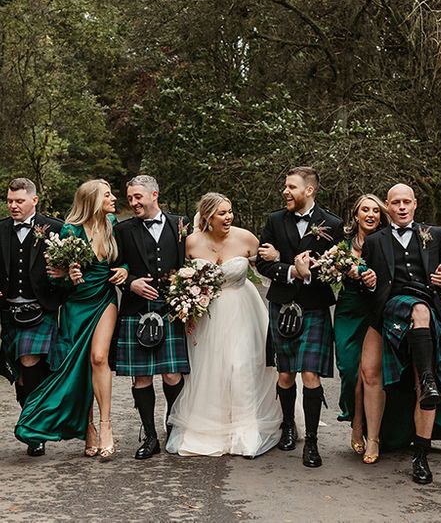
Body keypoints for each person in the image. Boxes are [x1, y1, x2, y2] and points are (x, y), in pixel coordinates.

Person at [15, 179, 128, 459]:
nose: (113, 198)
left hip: (104, 299)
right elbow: (58, 282)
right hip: (77, 305)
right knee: (79, 366)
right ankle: (86, 427)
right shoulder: (70, 230)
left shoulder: (113, 224)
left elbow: (123, 260)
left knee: (99, 358)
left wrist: (124, 270)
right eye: (107, 195)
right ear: (92, 201)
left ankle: (106, 426)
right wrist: (69, 277)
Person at [166, 193, 282, 458]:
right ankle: (210, 429)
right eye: (222, 213)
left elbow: (268, 269)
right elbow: (178, 277)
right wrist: (186, 302)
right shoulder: (191, 242)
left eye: (230, 212)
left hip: (242, 309)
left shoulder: (246, 238)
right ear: (207, 217)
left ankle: (244, 431)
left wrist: (275, 256)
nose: (228, 217)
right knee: (209, 369)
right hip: (207, 314)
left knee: (240, 366)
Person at [361, 183, 441, 484]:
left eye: (407, 202)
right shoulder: (374, 241)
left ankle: (421, 456)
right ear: (387, 207)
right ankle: (373, 438)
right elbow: (365, 280)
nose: (402, 207)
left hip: (424, 310)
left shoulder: (435, 234)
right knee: (370, 371)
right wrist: (368, 280)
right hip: (391, 306)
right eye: (396, 203)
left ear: (415, 204)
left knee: (423, 383)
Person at [255, 166, 344, 468]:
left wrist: (308, 274)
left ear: (309, 190)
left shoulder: (333, 224)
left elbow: (335, 269)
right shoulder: (274, 221)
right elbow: (263, 266)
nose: (285, 192)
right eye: (285, 186)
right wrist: (292, 270)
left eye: (291, 187)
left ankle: (313, 443)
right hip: (281, 304)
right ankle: (288, 426)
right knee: (284, 374)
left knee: (310, 375)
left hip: (314, 305)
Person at [113, 175, 190, 459]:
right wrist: (129, 282)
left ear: (154, 194)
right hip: (137, 309)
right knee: (141, 377)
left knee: (172, 373)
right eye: (129, 198)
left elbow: (191, 260)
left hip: (171, 308)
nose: (133, 203)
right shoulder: (122, 230)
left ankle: (174, 425)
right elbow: (113, 265)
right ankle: (150, 435)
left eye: (138, 197)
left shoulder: (180, 224)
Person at [0, 178, 63, 456]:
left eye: (19, 201)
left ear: (34, 201)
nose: (13, 206)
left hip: (41, 310)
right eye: (10, 201)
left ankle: (34, 430)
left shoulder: (55, 229)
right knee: (21, 375)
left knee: (30, 360)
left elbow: (70, 267)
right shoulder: (0, 230)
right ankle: (31, 421)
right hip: (10, 311)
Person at [333, 194, 387, 464]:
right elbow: (328, 270)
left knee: (370, 372)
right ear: (355, 215)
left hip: (375, 308)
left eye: (375, 211)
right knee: (348, 369)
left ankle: (363, 427)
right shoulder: (342, 244)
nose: (370, 214)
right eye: (365, 209)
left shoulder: (386, 242)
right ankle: (356, 421)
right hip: (348, 309)